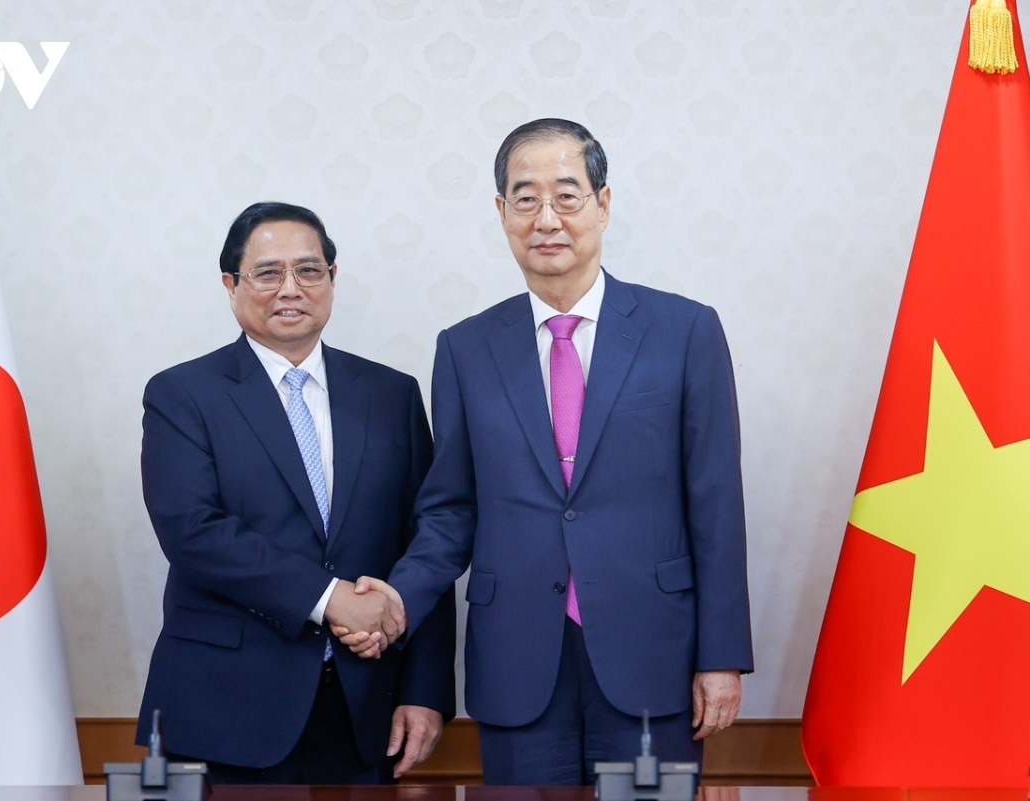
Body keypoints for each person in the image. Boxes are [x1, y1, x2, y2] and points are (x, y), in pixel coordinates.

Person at [338, 119, 753, 785]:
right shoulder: (467, 348)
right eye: (525, 198)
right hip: (518, 660)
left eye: (567, 194)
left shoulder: (684, 331)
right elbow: (451, 509)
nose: (547, 218)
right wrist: (396, 597)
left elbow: (716, 504)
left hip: (655, 653)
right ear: (502, 213)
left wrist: (722, 655)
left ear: (604, 204)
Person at [136, 201, 455, 784]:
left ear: (332, 280)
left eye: (309, 270)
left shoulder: (392, 394)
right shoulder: (183, 394)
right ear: (231, 285)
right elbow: (192, 532)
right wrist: (330, 597)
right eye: (267, 272)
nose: (291, 288)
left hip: (366, 706)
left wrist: (426, 691)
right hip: (228, 708)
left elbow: (425, 541)